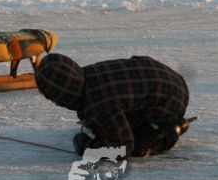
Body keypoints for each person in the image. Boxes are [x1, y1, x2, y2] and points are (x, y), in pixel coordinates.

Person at [35, 53, 191, 158]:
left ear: (61, 97)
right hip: (164, 77)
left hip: (172, 101)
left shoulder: (99, 105)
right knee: (114, 122)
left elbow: (121, 148)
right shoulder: (87, 74)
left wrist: (88, 148)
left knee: (138, 146)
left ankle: (172, 129)